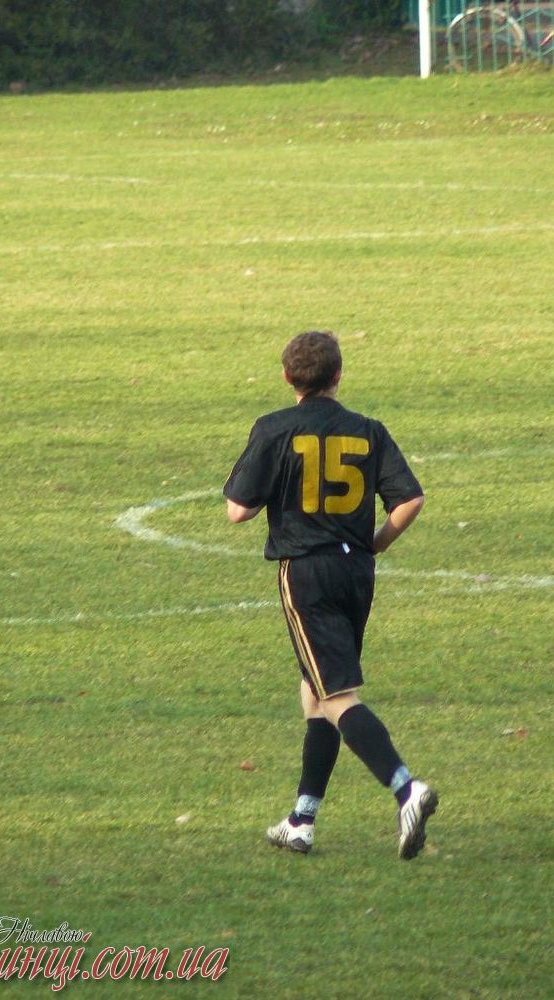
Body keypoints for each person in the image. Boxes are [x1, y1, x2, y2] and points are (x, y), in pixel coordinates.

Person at [223, 330, 437, 860]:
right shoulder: (368, 430)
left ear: (286, 377)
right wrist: (376, 543)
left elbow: (238, 510)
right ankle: (302, 820)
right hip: (357, 572)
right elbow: (409, 500)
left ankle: (406, 788)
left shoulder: (275, 427)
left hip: (307, 573)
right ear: (339, 375)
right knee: (316, 690)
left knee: (338, 695)